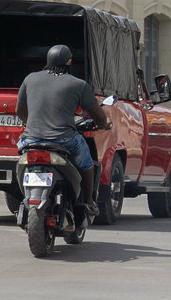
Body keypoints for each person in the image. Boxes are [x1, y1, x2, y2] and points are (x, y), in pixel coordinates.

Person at [15, 44, 111, 219]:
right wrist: (104, 124)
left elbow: (20, 111)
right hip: (64, 140)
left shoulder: (30, 79)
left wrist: (30, 124)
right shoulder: (78, 84)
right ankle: (88, 201)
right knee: (87, 162)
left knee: (21, 162)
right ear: (69, 61)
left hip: (31, 140)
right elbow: (98, 115)